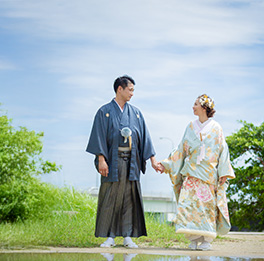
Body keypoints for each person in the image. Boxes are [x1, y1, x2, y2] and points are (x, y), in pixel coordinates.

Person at [86, 75, 162, 248]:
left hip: (131, 161)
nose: (132, 94)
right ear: (120, 89)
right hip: (112, 161)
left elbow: (145, 137)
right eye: (130, 90)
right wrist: (101, 159)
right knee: (110, 197)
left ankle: (128, 236)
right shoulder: (104, 112)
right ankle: (110, 236)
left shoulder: (136, 113)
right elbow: (99, 136)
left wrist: (153, 160)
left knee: (129, 198)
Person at [159, 94, 235, 250]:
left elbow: (223, 150)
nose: (193, 107)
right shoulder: (190, 126)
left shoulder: (216, 127)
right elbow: (181, 149)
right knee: (190, 207)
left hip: (208, 174)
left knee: (206, 208)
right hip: (191, 173)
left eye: (195, 104)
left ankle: (206, 240)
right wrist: (167, 164)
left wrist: (224, 172)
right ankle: (193, 239)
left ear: (204, 107)